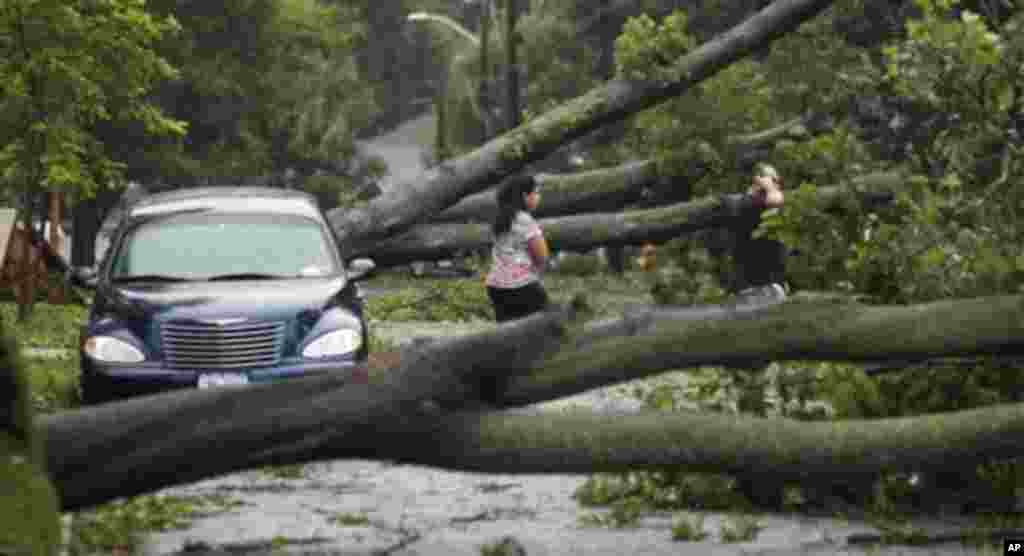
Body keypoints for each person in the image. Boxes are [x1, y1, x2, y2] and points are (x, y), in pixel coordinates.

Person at [484, 174, 550, 322]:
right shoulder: (525, 220)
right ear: (525, 196)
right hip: (522, 286)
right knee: (545, 327)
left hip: (496, 286)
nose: (539, 197)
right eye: (536, 192)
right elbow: (542, 256)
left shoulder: (500, 220)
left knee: (506, 334)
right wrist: (537, 272)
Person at [728, 163, 788, 300]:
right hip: (757, 290)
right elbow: (775, 200)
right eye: (773, 181)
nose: (777, 186)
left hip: (762, 288)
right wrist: (769, 187)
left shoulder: (759, 204)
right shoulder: (749, 204)